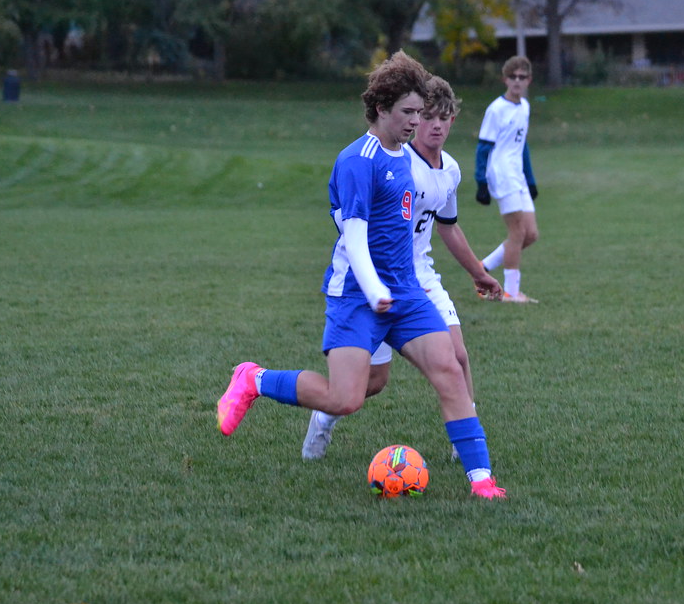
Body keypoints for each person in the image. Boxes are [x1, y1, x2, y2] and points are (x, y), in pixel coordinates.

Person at [217, 52, 507, 500]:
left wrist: (408, 287)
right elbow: (354, 238)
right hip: (357, 295)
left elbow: (430, 225)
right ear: (380, 110)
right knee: (345, 399)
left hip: (405, 292)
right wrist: (374, 292)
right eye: (408, 112)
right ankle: (253, 379)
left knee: (449, 365)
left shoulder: (408, 161)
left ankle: (482, 481)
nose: (415, 121)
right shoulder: (357, 160)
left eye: (420, 112)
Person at [302, 75, 502, 462]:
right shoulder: (392, 158)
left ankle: (470, 449)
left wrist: (477, 271)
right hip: (376, 277)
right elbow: (352, 217)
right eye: (425, 115)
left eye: (445, 118)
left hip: (419, 277)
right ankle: (324, 416)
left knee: (456, 358)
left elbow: (449, 227)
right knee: (371, 384)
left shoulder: (450, 171)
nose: (434, 125)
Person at [474, 55, 540, 304]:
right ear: (505, 79)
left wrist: (531, 180)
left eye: (522, 77)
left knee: (531, 234)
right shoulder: (496, 109)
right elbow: (483, 147)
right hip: (501, 174)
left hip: (518, 175)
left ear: (529, 81)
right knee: (517, 232)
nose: (517, 81)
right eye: (513, 76)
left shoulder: (524, 107)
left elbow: (521, 146)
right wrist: (481, 181)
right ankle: (511, 292)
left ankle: (482, 267)